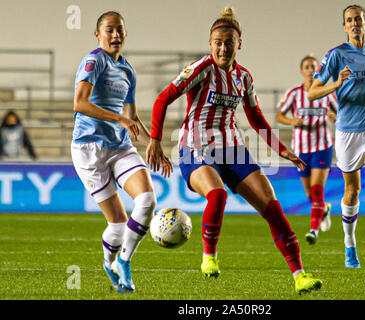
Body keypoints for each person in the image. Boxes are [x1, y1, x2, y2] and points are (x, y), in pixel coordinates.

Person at [146, 7, 322, 295]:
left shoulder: (244, 78)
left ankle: (300, 275)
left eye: (229, 42)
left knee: (272, 208)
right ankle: (209, 257)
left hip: (233, 149)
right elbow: (163, 99)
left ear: (239, 44)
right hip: (196, 146)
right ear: (210, 43)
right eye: (217, 42)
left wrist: (283, 150)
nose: (223, 47)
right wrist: (155, 139)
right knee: (218, 194)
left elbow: (256, 118)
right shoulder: (200, 69)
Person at [71, 11, 168, 293]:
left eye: (120, 30)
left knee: (148, 200)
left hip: (120, 147)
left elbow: (132, 116)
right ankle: (108, 260)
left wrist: (154, 143)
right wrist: (119, 120)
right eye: (109, 30)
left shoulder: (128, 70)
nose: (115, 35)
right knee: (117, 226)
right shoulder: (93, 60)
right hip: (89, 148)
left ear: (125, 34)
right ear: (98, 35)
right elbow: (80, 103)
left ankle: (124, 261)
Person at [307, 4, 365, 268]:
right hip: (348, 131)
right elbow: (313, 92)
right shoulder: (336, 55)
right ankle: (350, 246)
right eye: (349, 20)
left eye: (358, 18)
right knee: (352, 190)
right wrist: (336, 84)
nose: (355, 23)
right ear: (345, 26)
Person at [276, 54, 337, 245]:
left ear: (318, 70)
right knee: (310, 194)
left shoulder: (327, 92)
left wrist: (334, 116)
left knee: (317, 190)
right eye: (307, 67)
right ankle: (324, 209)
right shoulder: (294, 94)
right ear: (302, 71)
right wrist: (291, 120)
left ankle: (313, 230)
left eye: (314, 67)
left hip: (322, 147)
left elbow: (340, 112)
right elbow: (280, 116)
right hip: (302, 149)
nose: (311, 70)